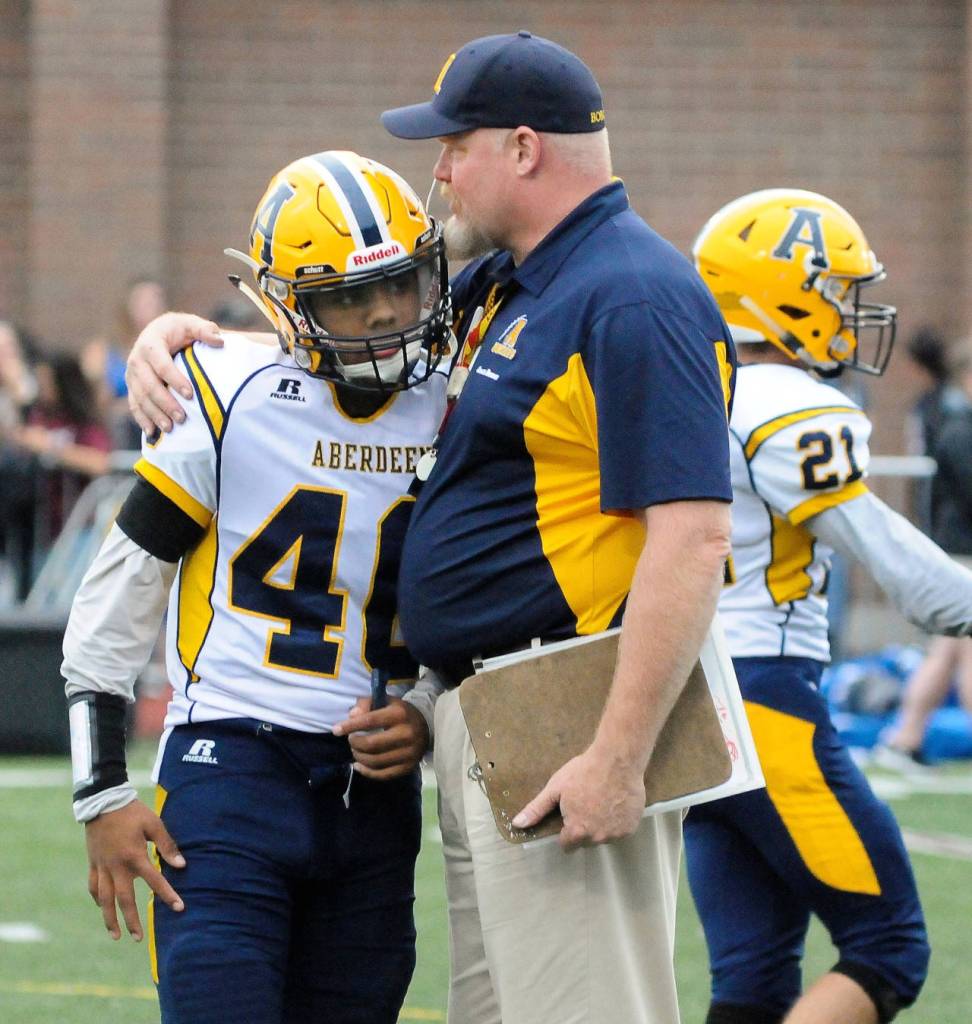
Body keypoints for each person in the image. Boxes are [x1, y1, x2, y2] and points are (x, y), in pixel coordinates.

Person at [124, 32, 736, 1024]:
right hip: (478, 711)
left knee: (584, 1010)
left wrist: (619, 756)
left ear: (524, 149)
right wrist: (179, 340)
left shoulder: (633, 292)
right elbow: (341, 337)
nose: (439, 170)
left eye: (456, 144)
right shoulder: (512, 279)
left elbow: (694, 536)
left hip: (573, 699)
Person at [62, 151, 451, 1024]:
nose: (386, 316)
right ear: (290, 305)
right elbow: (115, 605)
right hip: (231, 769)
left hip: (374, 790)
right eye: (351, 297)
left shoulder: (459, 401)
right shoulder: (223, 393)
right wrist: (102, 791)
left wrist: (426, 704)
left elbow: (466, 609)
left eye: (398, 285)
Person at [687, 188, 972, 1024]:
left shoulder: (694, 384)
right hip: (764, 698)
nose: (852, 314)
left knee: (750, 977)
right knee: (889, 946)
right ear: (785, 294)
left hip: (688, 697)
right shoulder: (787, 401)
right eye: (838, 293)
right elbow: (898, 563)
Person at [878, 340, 972, 768]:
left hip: (958, 549)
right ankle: (903, 736)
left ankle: (905, 736)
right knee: (962, 654)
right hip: (963, 552)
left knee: (947, 653)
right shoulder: (960, 430)